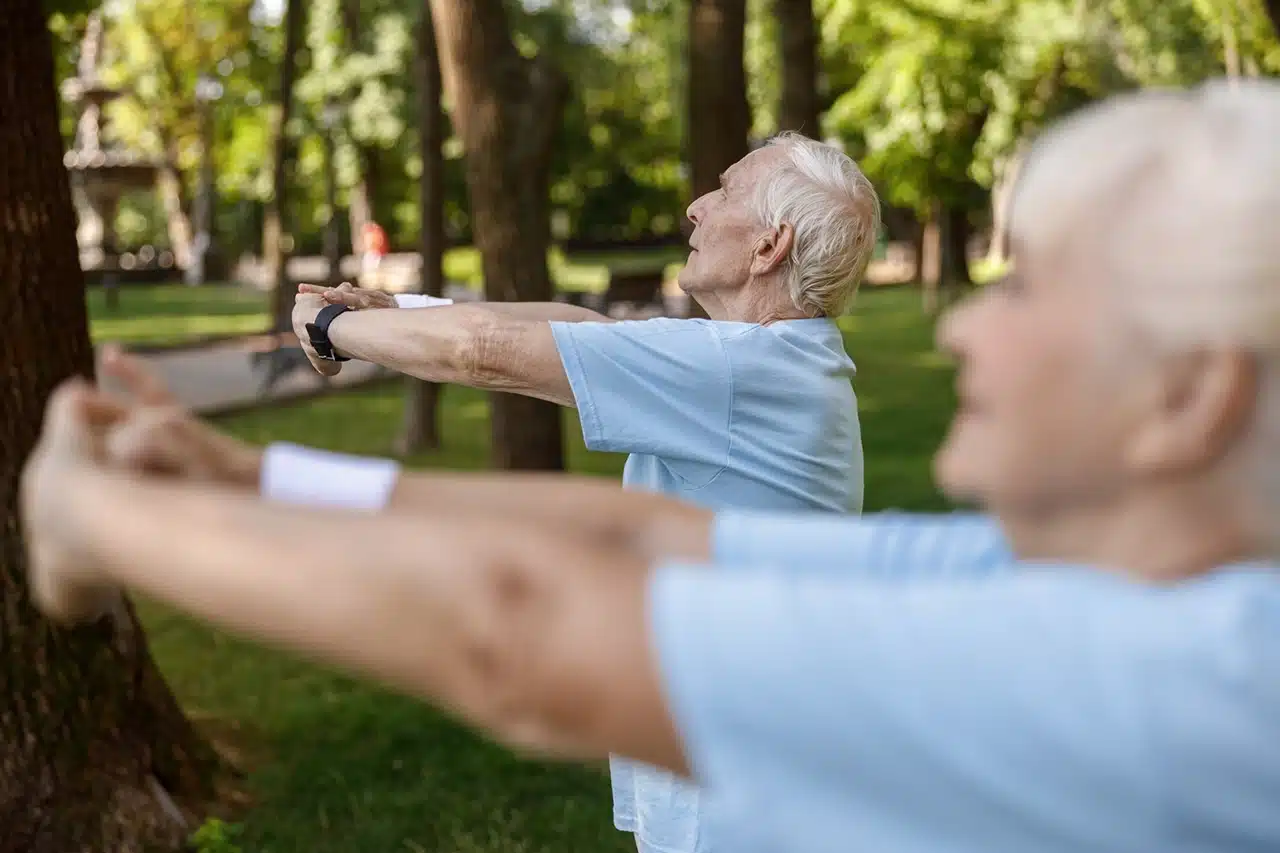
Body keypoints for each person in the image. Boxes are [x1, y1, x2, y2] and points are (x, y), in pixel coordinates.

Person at [21, 79, 1280, 852]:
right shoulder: (1033, 577)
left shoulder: (1181, 680)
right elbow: (623, 542)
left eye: (1038, 288)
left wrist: (101, 517)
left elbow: (519, 627)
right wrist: (254, 484)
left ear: (1189, 395)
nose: (958, 323)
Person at [288, 133, 881, 853]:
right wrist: (394, 306)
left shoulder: (743, 372)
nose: (695, 208)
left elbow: (485, 351)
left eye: (724, 191)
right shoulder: (772, 361)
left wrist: (334, 326)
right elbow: (585, 328)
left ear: (768, 247)